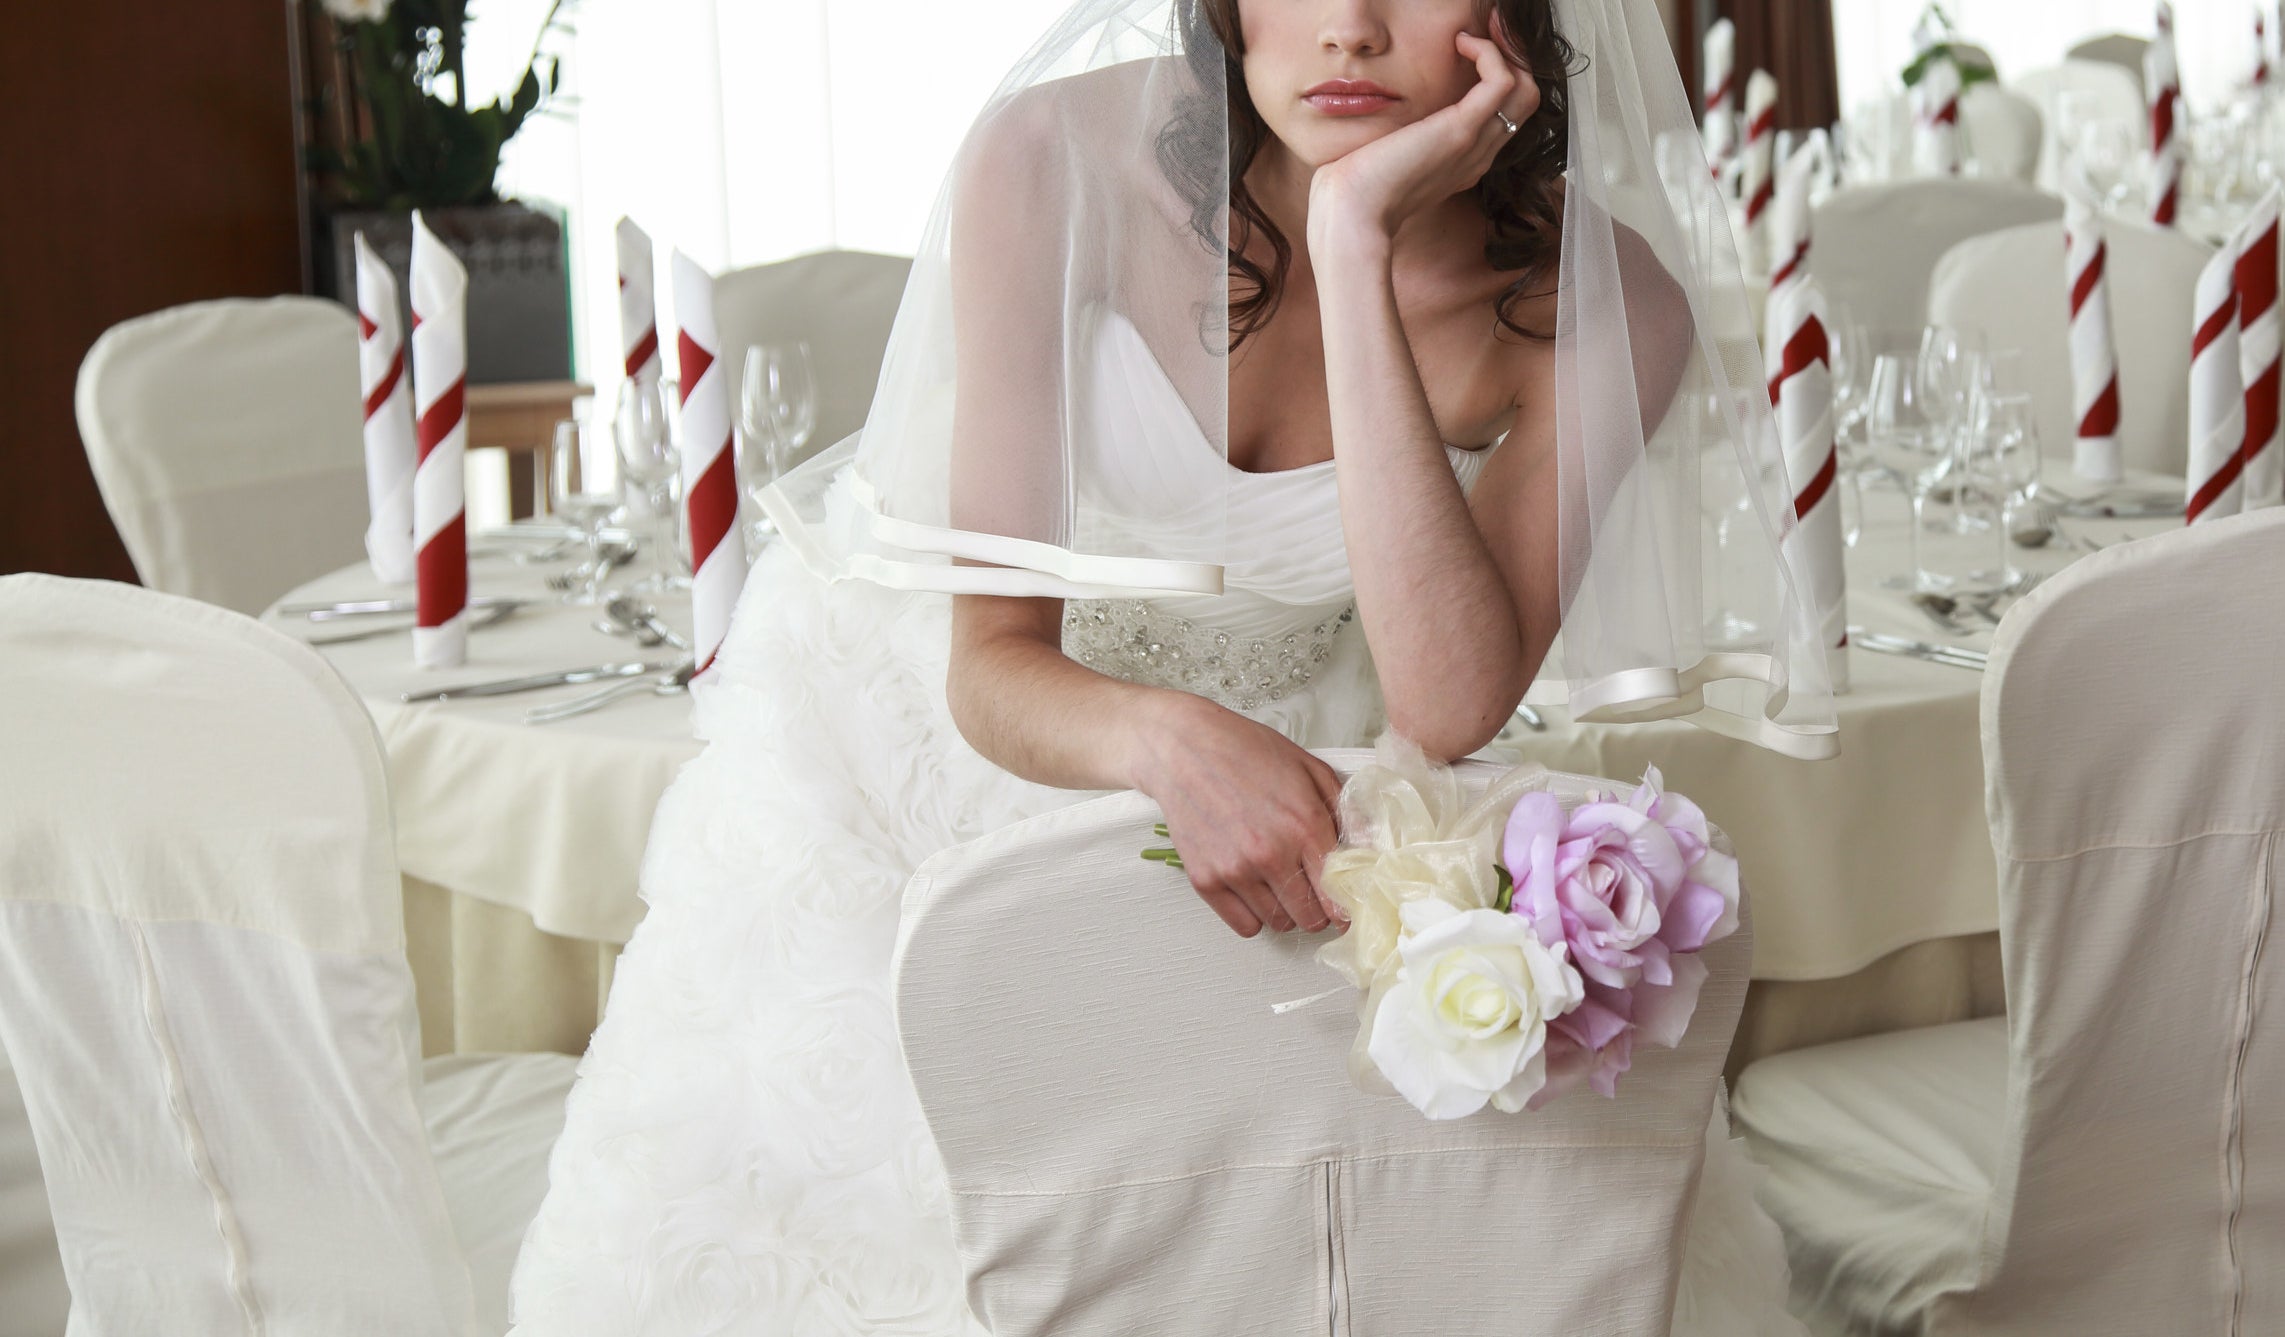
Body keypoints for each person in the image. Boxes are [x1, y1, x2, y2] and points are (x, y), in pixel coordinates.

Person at [510, 0, 1831, 1331]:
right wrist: (1163, 738)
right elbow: (990, 661)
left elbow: (1443, 703)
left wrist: (1352, 239)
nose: (1351, 32)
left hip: (1298, 753)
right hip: (925, 745)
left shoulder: (1609, 304)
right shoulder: (1055, 158)